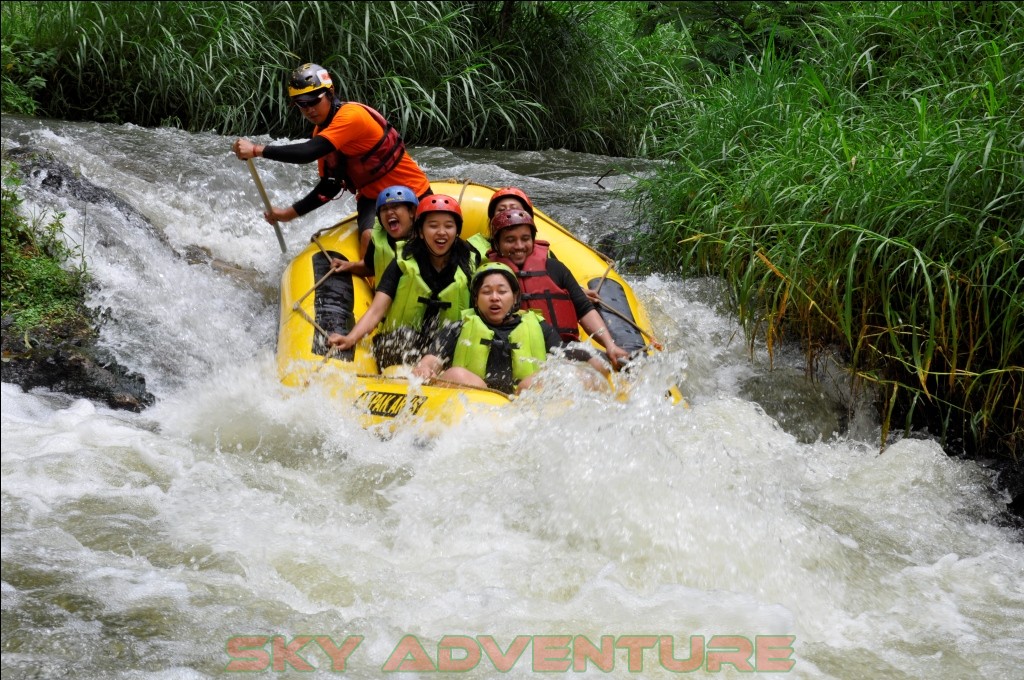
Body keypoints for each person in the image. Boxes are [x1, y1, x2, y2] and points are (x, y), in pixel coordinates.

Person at [231, 62, 431, 257]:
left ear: (330, 93)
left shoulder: (351, 117)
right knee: (369, 239)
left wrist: (257, 149)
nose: (309, 109)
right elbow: (330, 186)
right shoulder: (322, 131)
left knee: (426, 241)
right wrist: (287, 214)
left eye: (314, 101)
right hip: (373, 199)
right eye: (302, 104)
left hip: (413, 190)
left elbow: (307, 153)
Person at [326, 195, 482, 368]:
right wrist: (350, 338)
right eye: (433, 226)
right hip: (402, 343)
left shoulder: (469, 263)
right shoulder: (403, 261)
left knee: (457, 329)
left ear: (457, 231)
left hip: (446, 347)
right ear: (421, 232)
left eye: (449, 226)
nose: (441, 232)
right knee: (405, 335)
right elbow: (377, 310)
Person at [414, 263, 600, 394]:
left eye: (502, 291)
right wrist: (424, 367)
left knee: (539, 381)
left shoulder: (539, 326)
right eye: (486, 292)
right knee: (455, 374)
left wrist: (590, 362)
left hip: (523, 401)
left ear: (515, 297)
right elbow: (433, 359)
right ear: (476, 299)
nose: (495, 298)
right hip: (474, 401)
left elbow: (564, 358)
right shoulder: (459, 327)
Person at [484, 207, 631, 368]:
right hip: (515, 352)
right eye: (510, 240)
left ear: (533, 240)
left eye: (525, 238)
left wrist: (609, 345)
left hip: (562, 347)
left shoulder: (555, 268)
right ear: (497, 244)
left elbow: (584, 309)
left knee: (599, 365)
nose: (519, 246)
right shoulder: (489, 275)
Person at [331, 184, 418, 278]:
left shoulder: (425, 240)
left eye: (395, 206)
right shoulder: (378, 237)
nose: (389, 212)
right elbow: (369, 267)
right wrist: (349, 266)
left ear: (412, 212)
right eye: (384, 209)